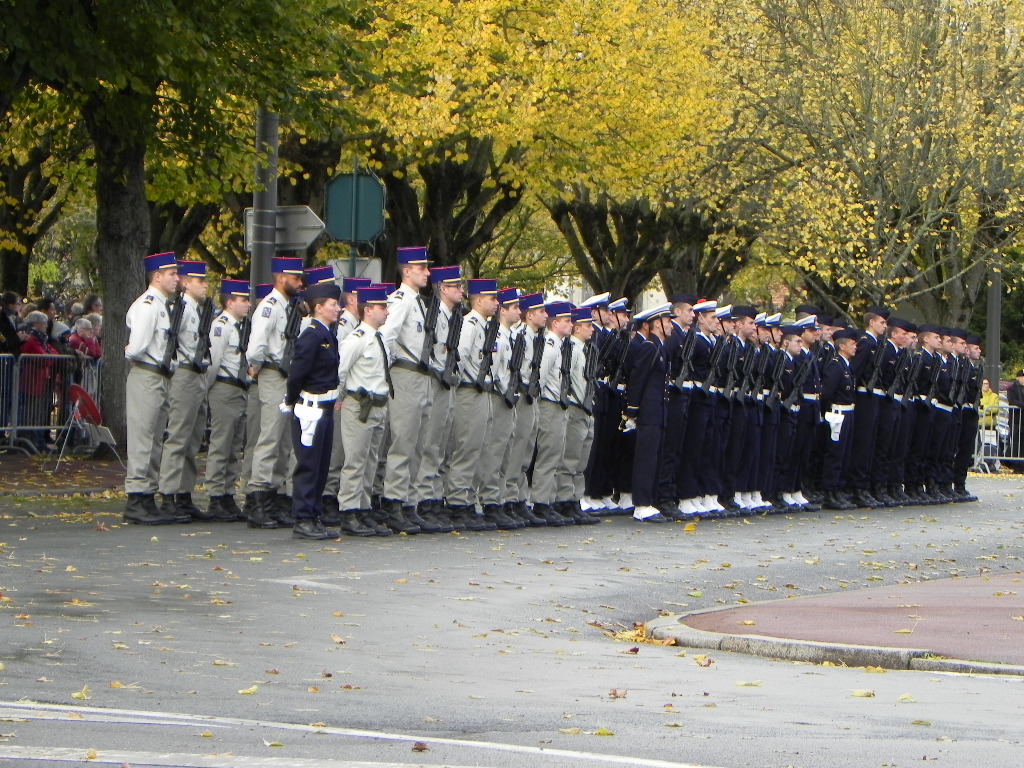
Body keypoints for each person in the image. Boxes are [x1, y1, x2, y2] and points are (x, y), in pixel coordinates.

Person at [246, 256, 305, 529]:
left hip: (286, 377)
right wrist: (257, 367)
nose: (300, 283)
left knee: (283, 441)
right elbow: (256, 346)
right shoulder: (269, 307)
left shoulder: (288, 307)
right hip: (272, 374)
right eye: (295, 278)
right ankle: (257, 497)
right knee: (269, 437)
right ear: (281, 278)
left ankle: (275, 496)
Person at [378, 246, 433, 533]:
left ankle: (408, 502)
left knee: (418, 442)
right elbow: (386, 336)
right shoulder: (400, 300)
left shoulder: (418, 302)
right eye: (422, 268)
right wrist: (385, 373)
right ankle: (394, 503)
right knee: (403, 441)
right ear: (407, 271)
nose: (427, 272)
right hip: (405, 375)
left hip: (421, 376)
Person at [123, 252, 180, 525]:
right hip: (148, 375)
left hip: (160, 376)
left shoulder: (163, 305)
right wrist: (131, 351)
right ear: (157, 276)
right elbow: (137, 346)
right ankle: (136, 497)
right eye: (172, 274)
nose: (177, 279)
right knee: (143, 438)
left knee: (155, 438)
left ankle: (147, 495)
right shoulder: (148, 304)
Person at [283, 281, 343, 540]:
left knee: (321, 464)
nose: (338, 309)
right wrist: (292, 401)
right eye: (333, 305)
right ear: (318, 308)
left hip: (326, 406)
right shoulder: (311, 335)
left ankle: (314, 514)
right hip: (311, 407)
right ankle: (303, 518)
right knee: (308, 464)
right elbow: (298, 373)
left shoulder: (327, 334)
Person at [334, 286, 394, 537]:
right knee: (355, 461)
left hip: (379, 404)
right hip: (360, 405)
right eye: (382, 308)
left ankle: (363, 508)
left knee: (371, 461)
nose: (387, 312)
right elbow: (340, 371)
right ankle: (349, 511)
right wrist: (339, 399)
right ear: (367, 310)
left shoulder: (379, 338)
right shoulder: (356, 339)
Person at [157, 260, 214, 522]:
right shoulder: (179, 309)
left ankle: (184, 494)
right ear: (186, 282)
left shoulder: (201, 310)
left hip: (200, 373)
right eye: (200, 281)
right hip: (185, 374)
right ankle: (168, 494)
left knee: (193, 438)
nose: (205, 286)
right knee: (179, 436)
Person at [203, 279, 252, 522]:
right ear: (230, 302)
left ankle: (227, 493)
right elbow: (213, 362)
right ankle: (215, 495)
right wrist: (209, 390)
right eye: (243, 300)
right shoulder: (221, 326)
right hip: (224, 387)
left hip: (240, 389)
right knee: (221, 444)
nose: (248, 304)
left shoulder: (242, 326)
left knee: (234, 446)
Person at [624, 303, 673, 523]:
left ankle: (648, 501)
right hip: (648, 411)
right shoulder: (649, 347)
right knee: (645, 458)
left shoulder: (659, 347)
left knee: (654, 457)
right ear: (657, 324)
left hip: (658, 411)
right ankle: (641, 504)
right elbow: (637, 379)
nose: (671, 326)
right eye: (668, 321)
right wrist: (632, 411)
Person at [17, 310, 57, 452]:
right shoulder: (32, 340)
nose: (46, 326)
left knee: (38, 414)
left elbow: (55, 354)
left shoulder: (42, 340)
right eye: (44, 323)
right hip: (31, 383)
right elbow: (45, 358)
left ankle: (38, 442)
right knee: (30, 414)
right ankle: (29, 442)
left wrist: (50, 356)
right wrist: (50, 356)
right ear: (36, 324)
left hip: (40, 383)